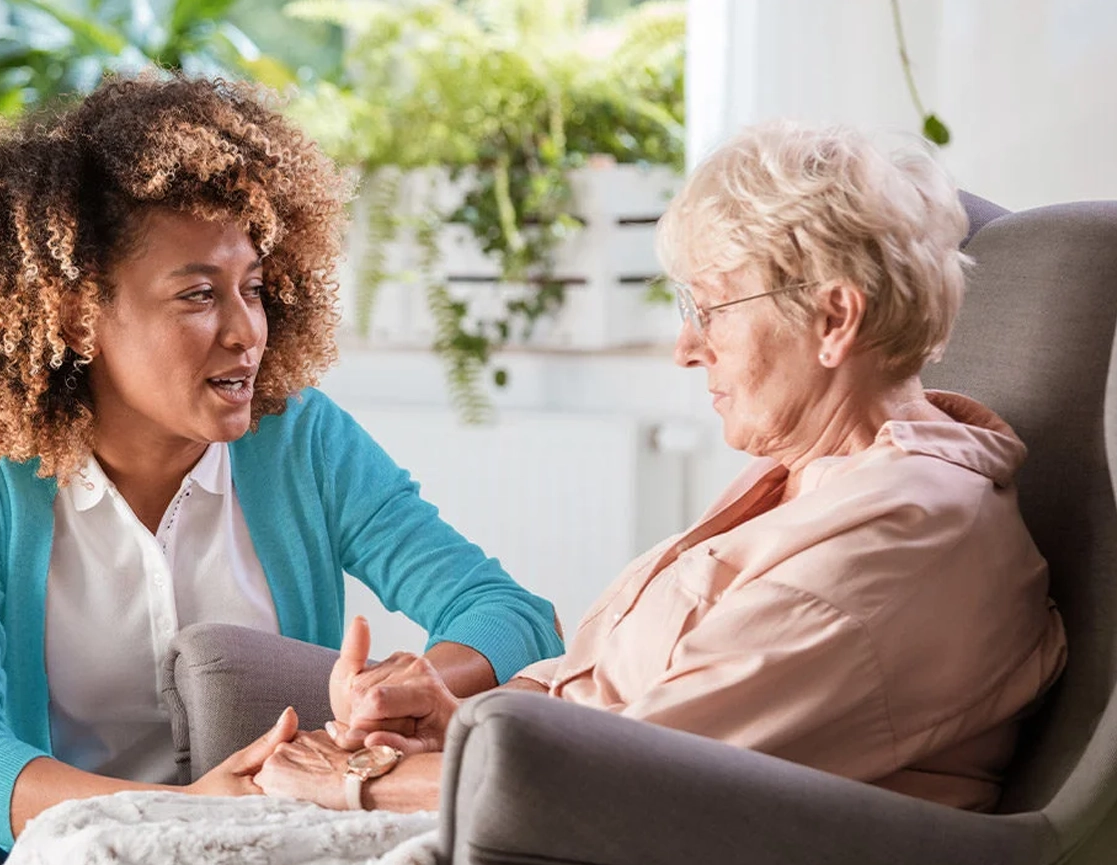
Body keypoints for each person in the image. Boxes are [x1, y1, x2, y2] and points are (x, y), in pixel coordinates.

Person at [0, 74, 563, 863]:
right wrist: (171, 812)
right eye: (197, 295)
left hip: (256, 840)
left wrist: (397, 686)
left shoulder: (300, 441)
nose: (247, 330)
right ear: (79, 313)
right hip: (47, 839)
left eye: (251, 288)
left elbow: (508, 612)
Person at [252, 120, 1068, 815]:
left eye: (709, 308)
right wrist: (454, 716)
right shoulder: (824, 481)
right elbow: (604, 698)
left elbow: (620, 776)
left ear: (832, 316)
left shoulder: (896, 541)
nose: (686, 348)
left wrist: (361, 775)